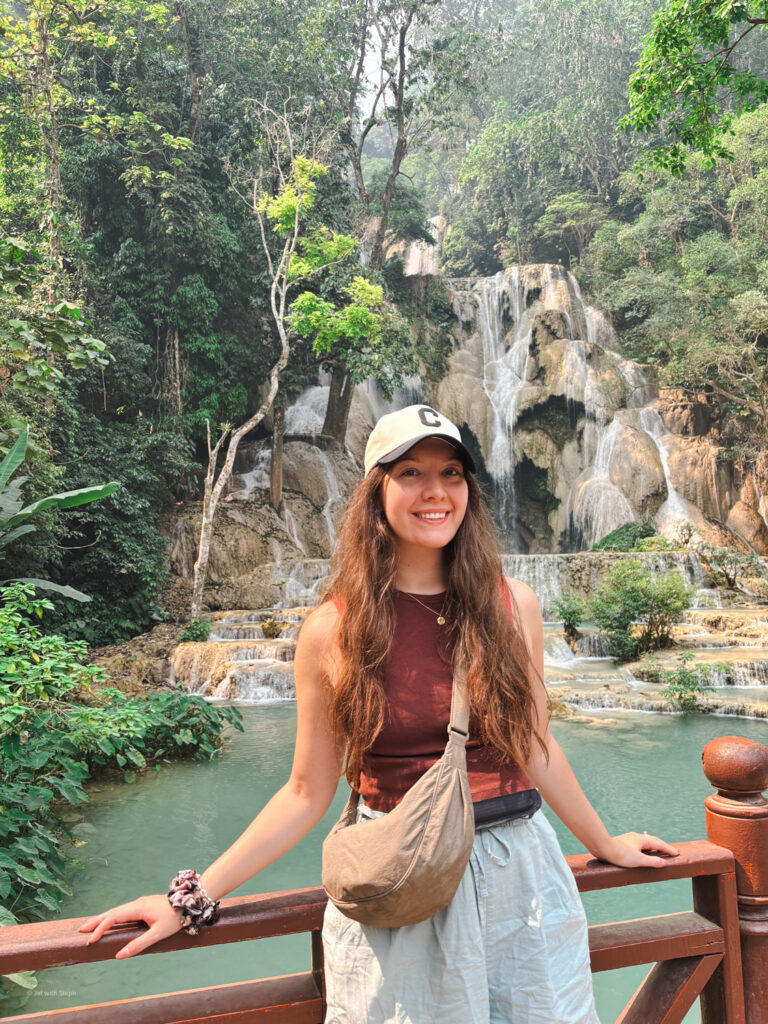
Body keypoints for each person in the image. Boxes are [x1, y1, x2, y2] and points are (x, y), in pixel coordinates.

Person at [79, 404, 679, 1023]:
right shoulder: (334, 630)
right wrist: (192, 897)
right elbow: (305, 792)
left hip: (519, 875)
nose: (435, 492)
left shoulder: (511, 604)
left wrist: (607, 843)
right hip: (401, 884)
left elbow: (535, 746)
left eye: (451, 473)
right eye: (411, 473)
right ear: (376, 492)